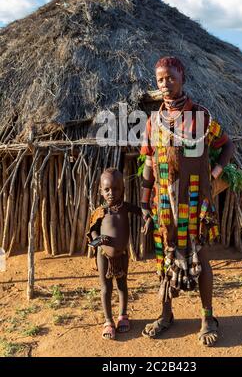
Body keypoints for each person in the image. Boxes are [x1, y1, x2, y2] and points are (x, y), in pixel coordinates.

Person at [140, 56, 234, 346]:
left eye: (170, 78)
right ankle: (166, 314)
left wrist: (216, 171)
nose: (165, 84)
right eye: (160, 80)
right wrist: (145, 204)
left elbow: (226, 143)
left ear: (182, 78)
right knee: (163, 259)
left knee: (201, 257)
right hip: (163, 205)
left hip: (194, 202)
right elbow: (148, 162)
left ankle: (208, 317)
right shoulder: (153, 121)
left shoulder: (201, 117)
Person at [87, 167, 141, 340]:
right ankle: (108, 321)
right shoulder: (99, 212)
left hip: (122, 255)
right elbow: (91, 237)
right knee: (106, 288)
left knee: (122, 286)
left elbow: (143, 212)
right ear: (101, 191)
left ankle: (123, 316)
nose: (111, 193)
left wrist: (148, 219)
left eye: (116, 188)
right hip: (104, 257)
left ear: (123, 189)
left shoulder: (126, 208)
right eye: (107, 189)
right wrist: (99, 239)